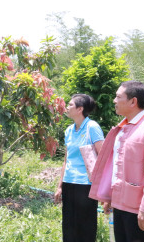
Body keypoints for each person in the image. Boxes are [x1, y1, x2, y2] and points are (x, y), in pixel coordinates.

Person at [89, 81, 144, 242]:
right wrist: (110, 197)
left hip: (140, 210)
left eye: (118, 96)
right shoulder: (121, 130)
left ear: (133, 101)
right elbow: (116, 168)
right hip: (120, 205)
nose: (114, 100)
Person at [54, 94, 104, 242]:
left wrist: (103, 187)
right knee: (69, 225)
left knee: (85, 226)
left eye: (70, 105)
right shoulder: (69, 130)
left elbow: (103, 157)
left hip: (86, 184)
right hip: (69, 183)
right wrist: (60, 185)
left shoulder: (92, 127)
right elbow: (66, 160)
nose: (67, 107)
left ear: (80, 109)